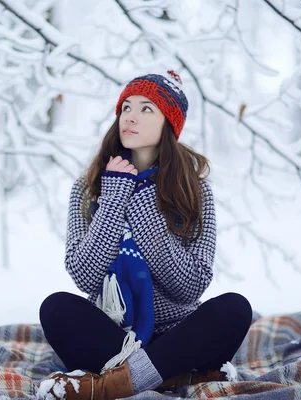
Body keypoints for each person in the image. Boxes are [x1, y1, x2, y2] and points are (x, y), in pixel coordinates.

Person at [38, 71, 252, 400]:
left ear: (169, 123)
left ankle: (114, 384)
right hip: (112, 334)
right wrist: (113, 200)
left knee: (235, 309)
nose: (131, 117)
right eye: (126, 107)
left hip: (179, 334)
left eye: (146, 109)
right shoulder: (89, 188)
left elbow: (190, 286)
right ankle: (169, 375)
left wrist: (143, 212)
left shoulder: (194, 191)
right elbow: (84, 275)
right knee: (55, 309)